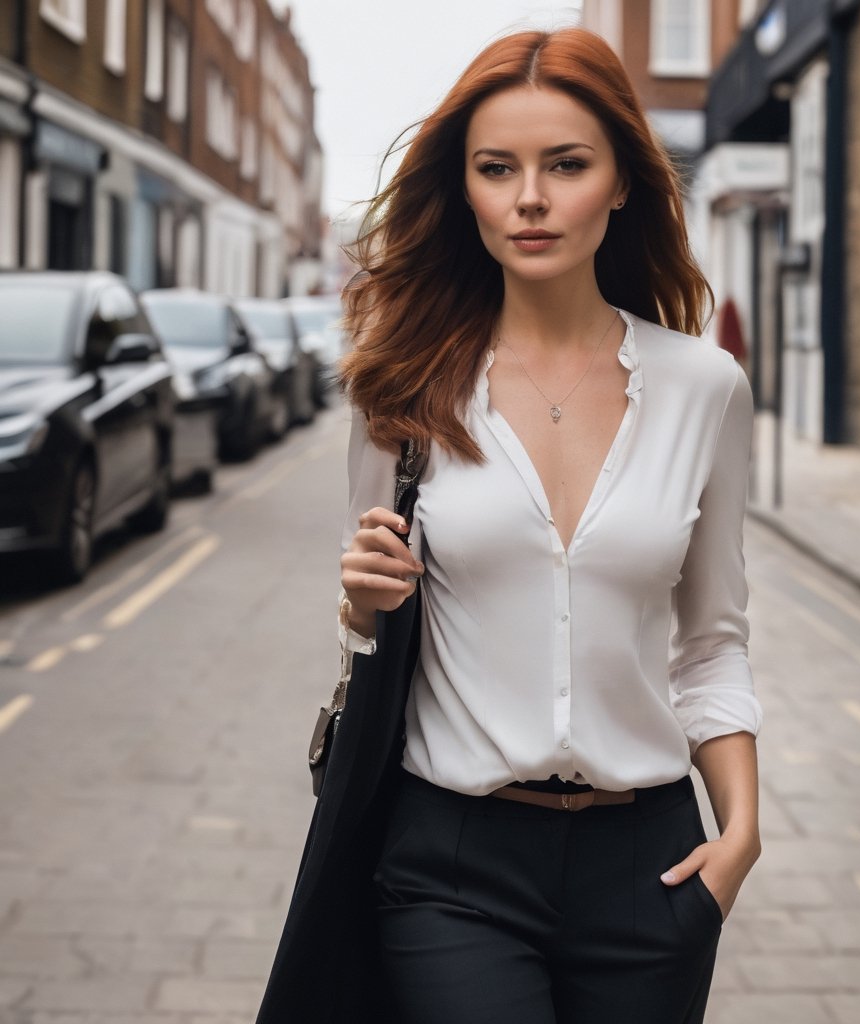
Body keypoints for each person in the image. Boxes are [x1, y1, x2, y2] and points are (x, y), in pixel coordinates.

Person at [337, 28, 763, 1023]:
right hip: (453, 861)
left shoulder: (705, 387)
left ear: (619, 182)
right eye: (497, 169)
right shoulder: (400, 384)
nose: (529, 197)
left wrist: (738, 831)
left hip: (649, 864)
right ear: (467, 188)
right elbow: (366, 630)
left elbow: (711, 643)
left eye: (565, 165)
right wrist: (361, 596)